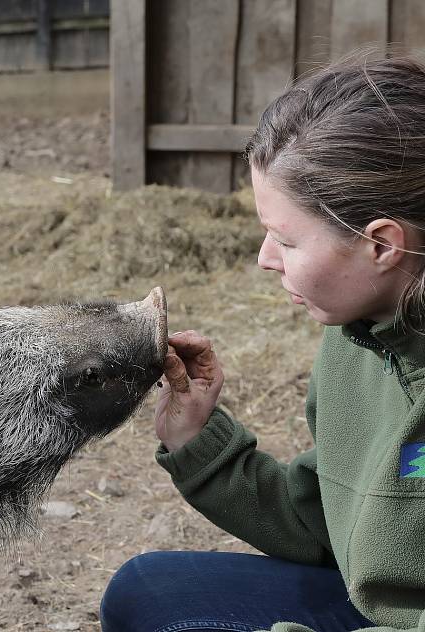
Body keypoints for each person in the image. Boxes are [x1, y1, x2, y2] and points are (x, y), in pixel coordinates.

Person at [100, 54, 425, 632]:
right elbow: (342, 523)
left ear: (381, 244)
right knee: (144, 592)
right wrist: (198, 442)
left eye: (286, 239)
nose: (263, 259)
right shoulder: (363, 333)